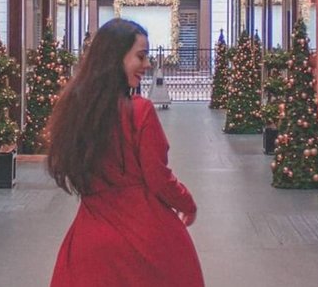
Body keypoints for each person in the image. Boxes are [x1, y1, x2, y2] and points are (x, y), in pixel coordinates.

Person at [46, 19, 204, 287]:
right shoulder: (139, 112)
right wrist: (187, 202)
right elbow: (158, 176)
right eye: (140, 57)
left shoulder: (74, 109)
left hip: (90, 236)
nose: (147, 64)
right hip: (143, 235)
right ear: (115, 59)